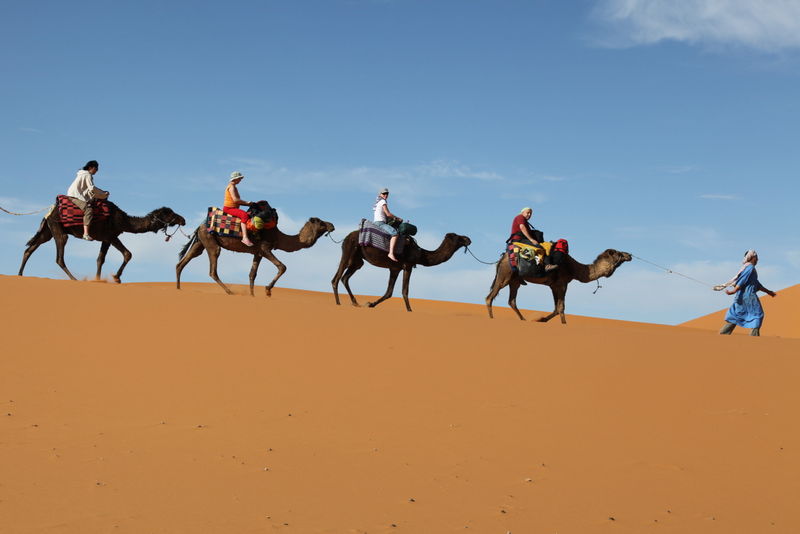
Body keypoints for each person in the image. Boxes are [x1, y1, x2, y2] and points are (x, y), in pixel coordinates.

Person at [715, 250, 777, 337]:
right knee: (757, 315)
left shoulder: (748, 268)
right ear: (752, 257)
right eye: (756, 257)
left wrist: (769, 292)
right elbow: (742, 280)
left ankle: (723, 334)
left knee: (736, 315)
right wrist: (733, 291)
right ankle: (754, 339)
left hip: (740, 297)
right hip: (749, 297)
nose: (757, 259)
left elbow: (757, 284)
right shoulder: (750, 268)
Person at [66, 160, 109, 241]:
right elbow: (92, 188)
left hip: (75, 194)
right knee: (88, 209)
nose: (97, 171)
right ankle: (85, 234)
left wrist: (102, 193)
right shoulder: (87, 175)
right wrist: (103, 194)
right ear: (90, 168)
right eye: (96, 169)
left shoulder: (83, 174)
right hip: (74, 196)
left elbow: (89, 190)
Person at [509, 207, 557, 272]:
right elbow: (522, 227)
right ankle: (547, 265)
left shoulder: (524, 220)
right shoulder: (520, 217)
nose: (529, 214)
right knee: (540, 247)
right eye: (528, 213)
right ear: (522, 212)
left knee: (547, 245)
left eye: (530, 213)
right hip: (519, 240)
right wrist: (531, 239)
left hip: (522, 240)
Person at [223, 171, 254, 247]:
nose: (240, 180)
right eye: (239, 178)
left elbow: (237, 201)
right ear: (235, 179)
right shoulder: (232, 187)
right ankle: (245, 237)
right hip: (229, 208)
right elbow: (236, 200)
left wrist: (249, 204)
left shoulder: (233, 186)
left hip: (232, 208)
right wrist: (247, 203)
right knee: (244, 215)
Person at [373, 187, 402, 262]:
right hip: (380, 223)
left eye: (387, 194)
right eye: (384, 193)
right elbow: (388, 214)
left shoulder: (377, 202)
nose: (385, 195)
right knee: (395, 234)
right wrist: (398, 218)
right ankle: (391, 253)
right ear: (380, 194)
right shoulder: (383, 201)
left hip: (376, 222)